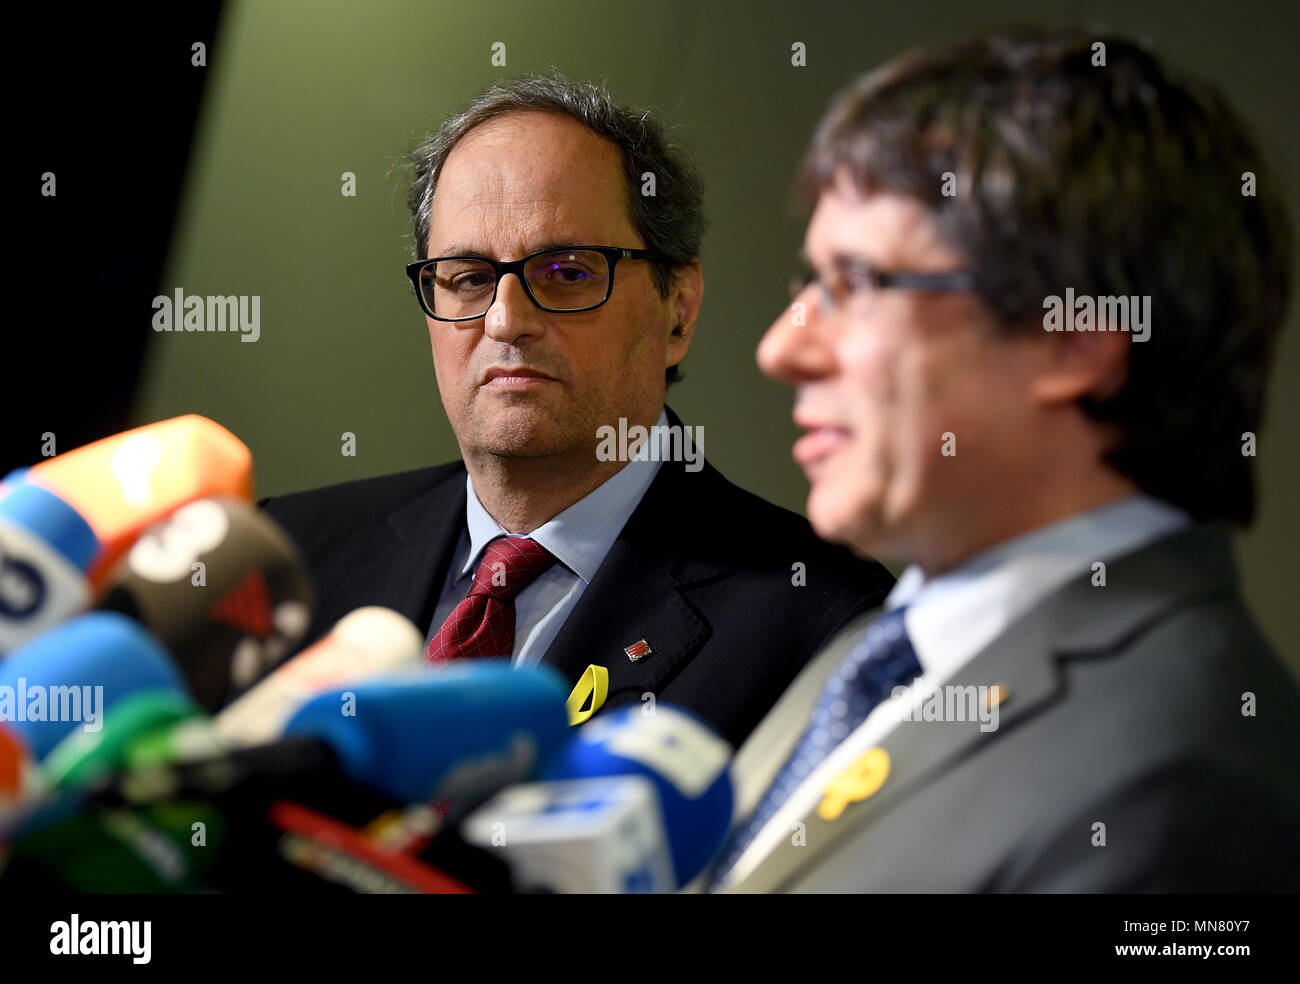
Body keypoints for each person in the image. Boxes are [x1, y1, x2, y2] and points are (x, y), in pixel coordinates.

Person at [711, 29, 1300, 891]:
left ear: (1073, 338)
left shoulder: (1188, 782)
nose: (781, 348)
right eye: (809, 285)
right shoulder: (871, 654)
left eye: (855, 285)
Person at [261, 75, 894, 746]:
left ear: (677, 309)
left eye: (566, 273)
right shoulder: (288, 551)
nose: (506, 320)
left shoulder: (825, 624)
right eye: (470, 277)